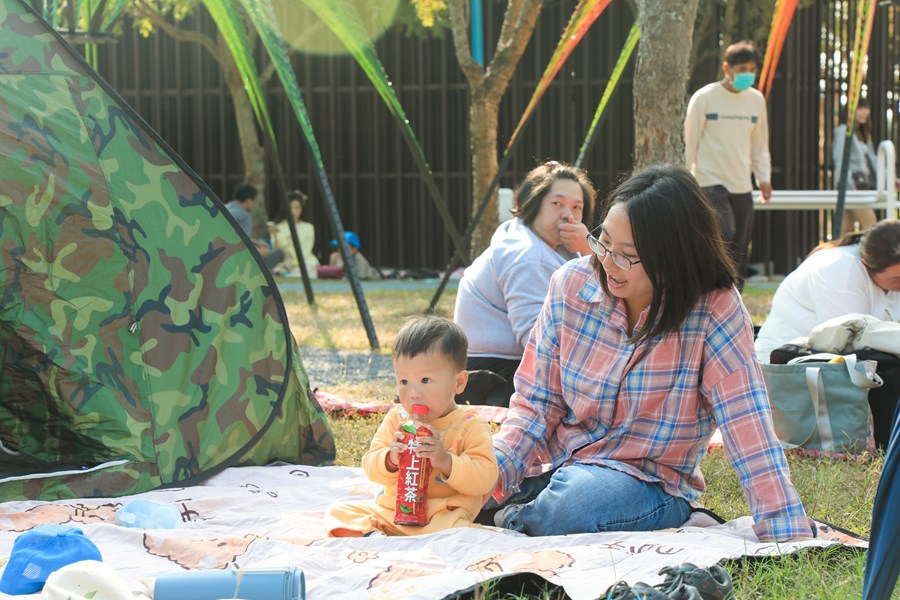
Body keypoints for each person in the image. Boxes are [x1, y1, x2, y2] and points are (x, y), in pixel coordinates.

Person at [488, 163, 816, 543]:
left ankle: (515, 513)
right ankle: (517, 504)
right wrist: (490, 472)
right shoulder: (571, 285)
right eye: (603, 241)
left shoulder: (714, 310)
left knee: (573, 506)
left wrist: (785, 531)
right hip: (564, 466)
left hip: (647, 484)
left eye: (627, 254)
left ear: (673, 257)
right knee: (466, 478)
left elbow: (748, 424)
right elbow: (536, 403)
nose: (607, 262)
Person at [324, 315, 499, 537]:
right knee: (339, 511)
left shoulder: (469, 425)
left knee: (465, 535)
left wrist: (445, 461)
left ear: (459, 382)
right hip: (392, 512)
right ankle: (373, 538)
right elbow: (370, 465)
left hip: (442, 518)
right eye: (404, 382)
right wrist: (390, 459)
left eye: (425, 380)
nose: (413, 393)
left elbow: (485, 479)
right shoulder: (397, 419)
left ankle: (395, 541)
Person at [453, 161, 595, 406]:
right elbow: (537, 340)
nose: (568, 215)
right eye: (557, 203)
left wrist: (587, 248)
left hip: (500, 363)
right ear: (534, 203)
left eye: (577, 207)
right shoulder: (527, 255)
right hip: (491, 373)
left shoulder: (540, 242)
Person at [755, 220, 900, 449]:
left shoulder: (884, 272)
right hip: (791, 374)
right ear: (866, 265)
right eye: (897, 280)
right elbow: (853, 341)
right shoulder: (838, 267)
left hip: (841, 370)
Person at [685, 40, 772, 290]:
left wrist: (763, 178)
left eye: (752, 69)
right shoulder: (704, 98)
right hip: (709, 182)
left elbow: (759, 143)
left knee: (740, 250)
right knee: (723, 234)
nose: (748, 74)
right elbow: (689, 142)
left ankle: (734, 301)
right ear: (727, 68)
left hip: (742, 185)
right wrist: (685, 181)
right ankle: (707, 293)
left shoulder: (756, 101)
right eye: (742, 68)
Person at [832, 98, 878, 234]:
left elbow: (874, 162)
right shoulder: (843, 131)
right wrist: (848, 187)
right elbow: (840, 161)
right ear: (850, 111)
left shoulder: (862, 135)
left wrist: (889, 179)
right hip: (852, 189)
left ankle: (828, 255)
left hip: (858, 188)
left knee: (842, 234)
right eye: (859, 108)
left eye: (865, 108)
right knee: (873, 229)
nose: (863, 112)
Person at [225, 182, 284, 271]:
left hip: (222, 253)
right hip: (237, 258)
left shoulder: (225, 208)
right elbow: (243, 242)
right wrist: (260, 249)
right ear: (249, 201)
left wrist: (256, 242)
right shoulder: (244, 215)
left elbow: (235, 235)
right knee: (278, 252)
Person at [271, 190, 320, 277]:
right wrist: (274, 235)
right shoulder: (278, 227)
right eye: (290, 208)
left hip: (305, 261)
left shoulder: (309, 227)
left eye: (297, 208)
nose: (294, 212)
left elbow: (306, 249)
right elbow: (277, 249)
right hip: (285, 261)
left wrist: (296, 262)